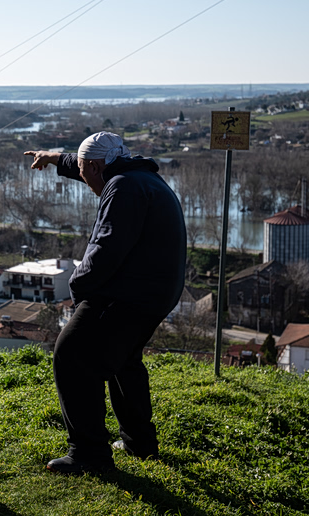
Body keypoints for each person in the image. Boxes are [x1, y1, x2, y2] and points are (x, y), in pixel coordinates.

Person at [25, 132, 186, 474]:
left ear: (97, 167)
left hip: (131, 294)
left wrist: (78, 286)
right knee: (123, 359)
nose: (84, 180)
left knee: (71, 355)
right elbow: (84, 164)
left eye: (85, 173)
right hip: (157, 292)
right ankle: (139, 442)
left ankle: (88, 454)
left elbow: (106, 249)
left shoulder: (122, 188)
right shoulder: (138, 176)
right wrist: (54, 157)